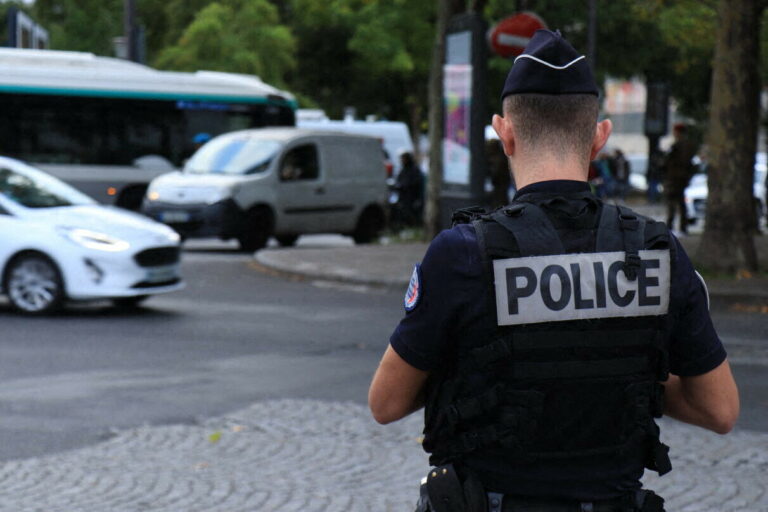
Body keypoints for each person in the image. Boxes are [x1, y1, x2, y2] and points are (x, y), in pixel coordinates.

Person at [369, 30, 738, 512]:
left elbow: (386, 403)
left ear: (505, 132)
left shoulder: (461, 253)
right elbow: (721, 409)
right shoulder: (656, 249)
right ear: (600, 137)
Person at [662, 123, 698, 234]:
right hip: (682, 177)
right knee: (681, 202)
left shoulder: (677, 146)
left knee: (672, 202)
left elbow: (668, 161)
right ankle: (682, 226)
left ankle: (670, 225)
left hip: (674, 177)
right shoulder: (690, 145)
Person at [393, 150, 425, 227]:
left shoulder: (414, 170)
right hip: (403, 197)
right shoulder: (403, 170)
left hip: (412, 198)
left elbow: (416, 183)